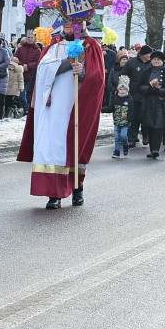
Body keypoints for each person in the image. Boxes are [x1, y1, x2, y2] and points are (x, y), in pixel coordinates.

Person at [17, 21, 105, 209]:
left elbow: (97, 78)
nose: (68, 27)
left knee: (74, 146)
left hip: (75, 107)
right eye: (65, 23)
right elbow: (42, 70)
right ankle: (53, 193)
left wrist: (83, 73)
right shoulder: (54, 45)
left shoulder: (91, 45)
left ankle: (77, 188)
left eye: (73, 23)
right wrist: (67, 63)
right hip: (53, 106)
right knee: (52, 147)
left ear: (82, 24)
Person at [140, 49, 165, 158]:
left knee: (159, 126)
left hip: (161, 102)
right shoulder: (146, 72)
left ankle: (156, 148)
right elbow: (140, 86)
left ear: (162, 61)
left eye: (158, 60)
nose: (156, 61)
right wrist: (150, 89)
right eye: (154, 59)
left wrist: (161, 91)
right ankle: (152, 149)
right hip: (149, 102)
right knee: (150, 125)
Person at [121, 45, 153, 148]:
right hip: (133, 95)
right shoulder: (132, 63)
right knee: (133, 118)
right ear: (143, 54)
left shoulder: (152, 64)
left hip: (147, 95)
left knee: (145, 118)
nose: (150, 56)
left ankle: (146, 136)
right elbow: (123, 76)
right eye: (149, 54)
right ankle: (132, 139)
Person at [15, 31, 41, 113]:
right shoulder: (21, 48)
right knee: (22, 95)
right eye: (28, 37)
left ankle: (29, 109)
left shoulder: (37, 50)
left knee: (29, 94)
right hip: (21, 74)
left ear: (34, 39)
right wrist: (22, 65)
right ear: (26, 38)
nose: (30, 39)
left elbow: (38, 61)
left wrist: (29, 65)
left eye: (31, 37)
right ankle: (26, 109)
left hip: (31, 75)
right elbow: (16, 58)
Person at [111, 78, 132, 157]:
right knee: (117, 137)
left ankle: (126, 146)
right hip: (117, 121)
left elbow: (131, 110)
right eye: (121, 89)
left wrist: (130, 118)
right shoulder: (115, 98)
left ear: (127, 90)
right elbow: (111, 108)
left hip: (125, 122)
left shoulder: (129, 100)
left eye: (124, 89)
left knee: (123, 136)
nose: (122, 91)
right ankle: (117, 151)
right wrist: (101, 109)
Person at [5, 54, 25, 118]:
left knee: (12, 101)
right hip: (7, 87)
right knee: (7, 100)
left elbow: (21, 80)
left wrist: (21, 87)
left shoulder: (18, 71)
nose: (11, 66)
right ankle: (11, 111)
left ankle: (11, 111)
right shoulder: (7, 70)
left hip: (15, 88)